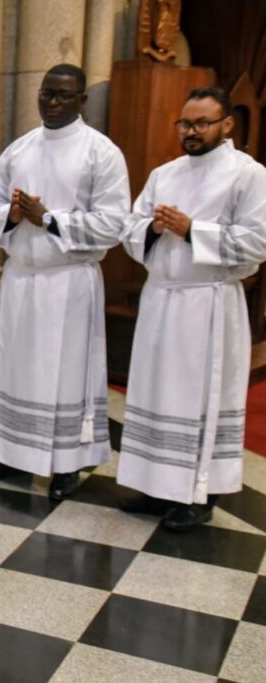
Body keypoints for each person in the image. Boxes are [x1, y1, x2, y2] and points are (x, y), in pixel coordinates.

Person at [0, 63, 129, 501]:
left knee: (65, 375)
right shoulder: (19, 149)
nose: (52, 102)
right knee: (14, 368)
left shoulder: (101, 153)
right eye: (46, 94)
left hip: (69, 284)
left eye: (63, 95)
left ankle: (66, 464)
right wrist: (11, 214)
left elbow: (115, 223)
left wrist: (50, 219)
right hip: (22, 278)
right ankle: (10, 454)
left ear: (82, 100)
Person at [116, 87, 266, 531]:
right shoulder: (165, 173)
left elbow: (257, 243)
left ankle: (198, 495)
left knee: (199, 399)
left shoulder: (248, 174)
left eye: (202, 123)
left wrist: (192, 230)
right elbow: (130, 227)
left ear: (227, 125)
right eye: (185, 123)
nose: (191, 132)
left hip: (208, 303)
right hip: (162, 297)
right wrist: (153, 227)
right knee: (155, 391)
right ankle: (155, 486)